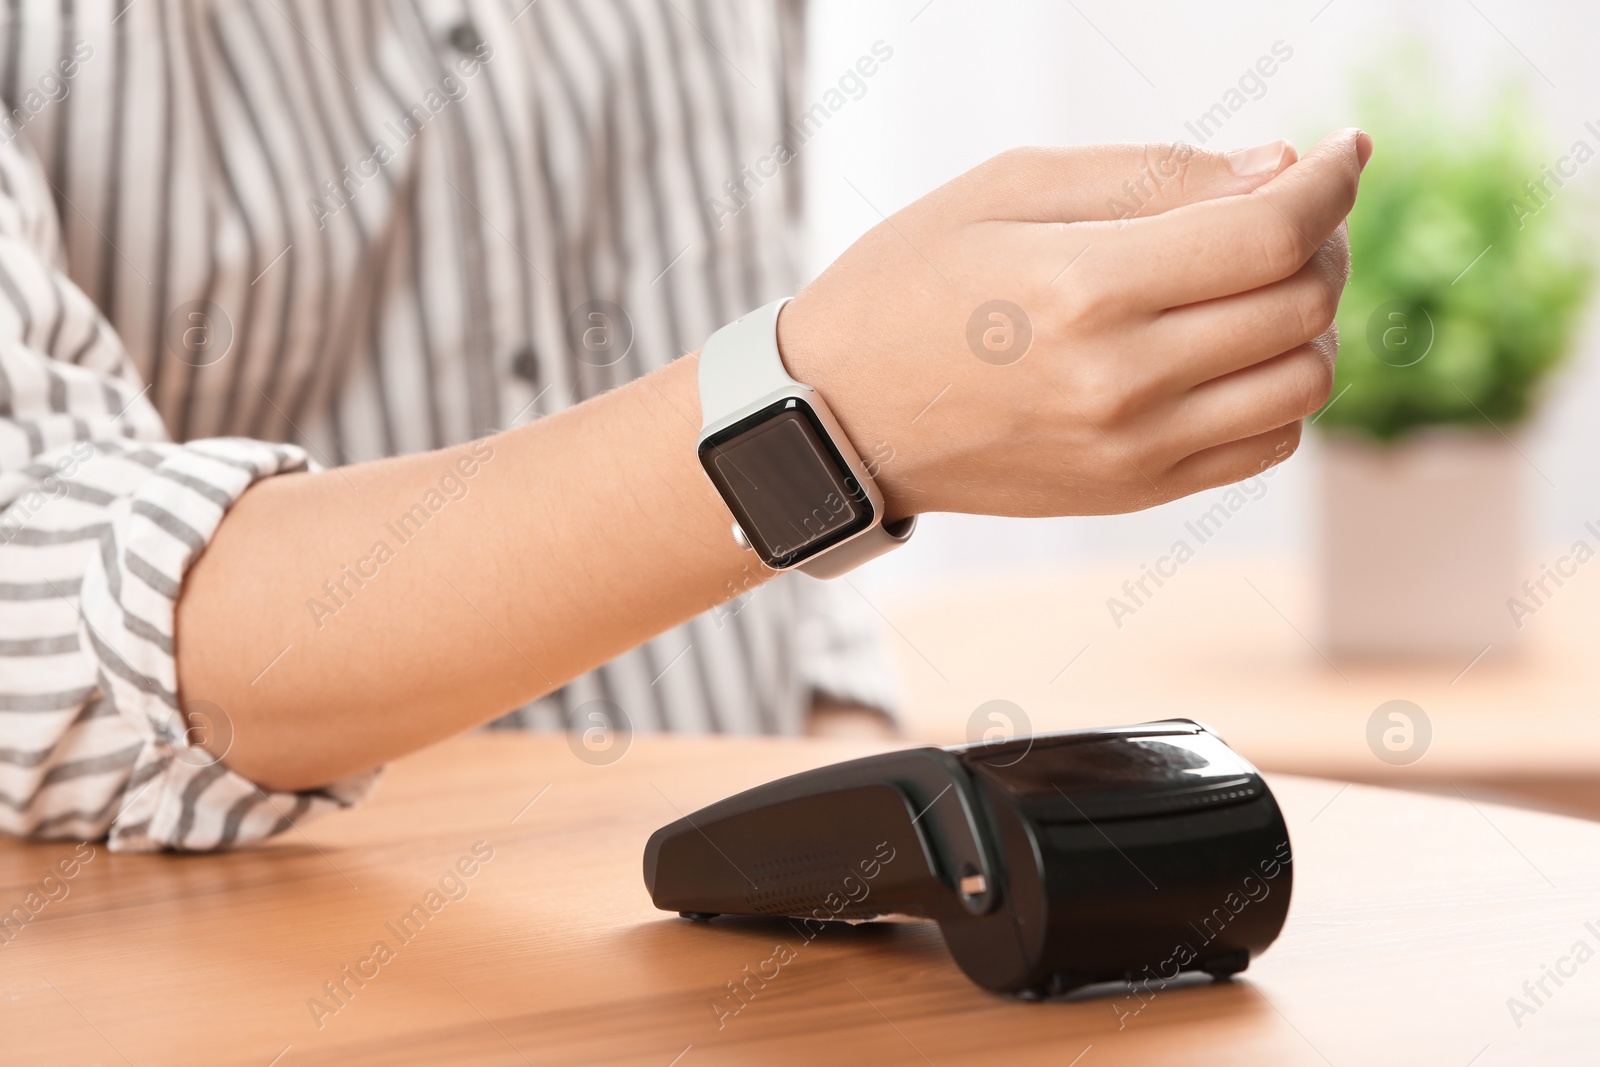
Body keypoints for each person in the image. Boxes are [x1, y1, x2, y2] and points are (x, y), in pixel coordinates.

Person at [0, 1, 1366, 851]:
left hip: (748, 946)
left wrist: (841, 762)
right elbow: (37, 612)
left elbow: (724, 309)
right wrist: (837, 417)